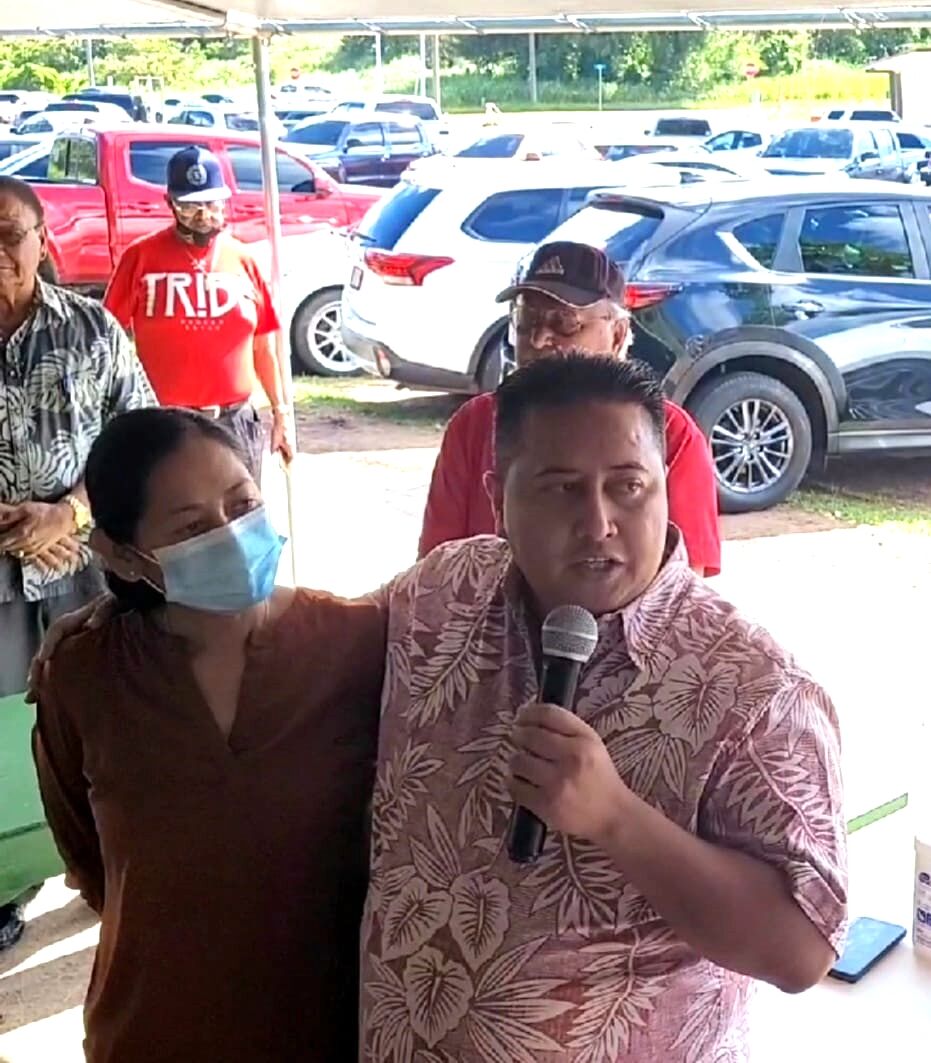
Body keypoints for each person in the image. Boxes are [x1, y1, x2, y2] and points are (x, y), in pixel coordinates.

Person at [361, 355, 846, 1061]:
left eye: (627, 486)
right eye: (561, 489)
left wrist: (616, 819)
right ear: (498, 498)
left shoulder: (756, 688)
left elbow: (801, 950)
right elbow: (311, 659)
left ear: (665, 486)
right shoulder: (442, 592)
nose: (598, 523)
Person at [32, 408, 383, 1061]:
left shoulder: (361, 644)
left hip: (332, 1031)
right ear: (123, 555)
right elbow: (89, 857)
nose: (232, 534)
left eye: (243, 504)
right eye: (192, 527)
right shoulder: (83, 675)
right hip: (151, 1030)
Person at [418, 240, 721, 576]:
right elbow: (436, 570)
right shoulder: (475, 424)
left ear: (617, 334)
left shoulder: (671, 433)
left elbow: (683, 585)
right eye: (525, 321)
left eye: (565, 323)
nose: (538, 340)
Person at [0, 175, 153, 699]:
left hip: (84, 571)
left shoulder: (93, 330)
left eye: (9, 235)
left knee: (97, 713)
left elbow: (141, 442)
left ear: (42, 240)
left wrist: (69, 514)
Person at [103, 146, 293, 480]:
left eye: (212, 204)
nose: (203, 216)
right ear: (170, 203)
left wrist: (281, 413)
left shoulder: (244, 260)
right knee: (171, 510)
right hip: (164, 424)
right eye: (189, 206)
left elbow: (263, 347)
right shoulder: (140, 257)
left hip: (234, 422)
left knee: (240, 510)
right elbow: (106, 340)